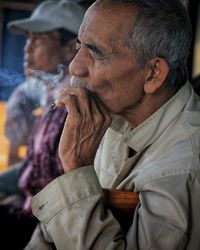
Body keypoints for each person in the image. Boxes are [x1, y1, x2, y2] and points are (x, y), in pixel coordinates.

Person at [27, 0, 200, 249]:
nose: (75, 66)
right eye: (79, 46)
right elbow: (47, 238)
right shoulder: (107, 116)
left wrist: (77, 169)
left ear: (153, 73)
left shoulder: (184, 170)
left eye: (96, 52)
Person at [0, 1, 85, 249]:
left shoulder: (76, 107)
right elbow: (31, 168)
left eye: (38, 40)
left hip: (48, 231)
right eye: (27, 39)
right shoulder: (50, 98)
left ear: (70, 48)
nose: (27, 49)